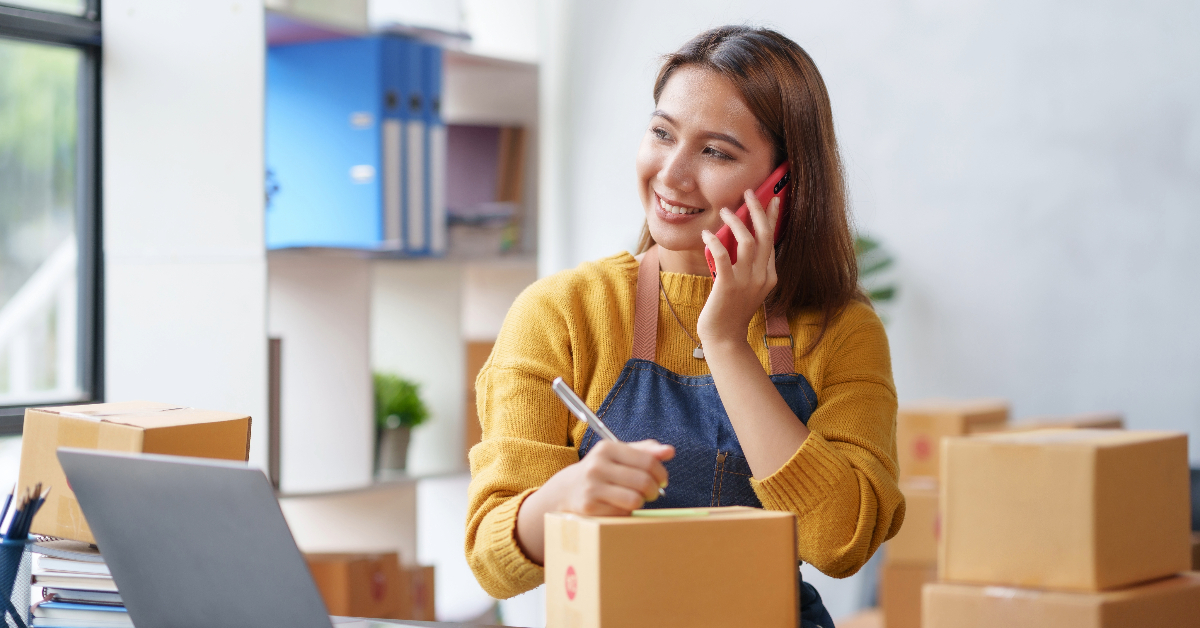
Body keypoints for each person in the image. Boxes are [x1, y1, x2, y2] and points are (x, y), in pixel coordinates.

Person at [466, 25, 903, 628]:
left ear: (785, 181)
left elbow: (841, 541)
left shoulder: (840, 328)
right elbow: (491, 557)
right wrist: (562, 500)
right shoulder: (561, 313)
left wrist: (725, 341)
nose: (671, 175)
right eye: (661, 133)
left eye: (716, 152)